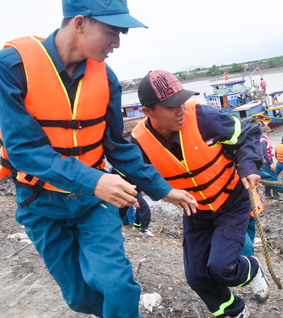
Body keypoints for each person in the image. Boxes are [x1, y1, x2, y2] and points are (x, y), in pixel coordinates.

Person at [0, 2, 197, 317]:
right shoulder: (11, 66)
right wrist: (94, 181)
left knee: (117, 286)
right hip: (40, 204)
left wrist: (163, 189)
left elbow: (118, 147)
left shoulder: (107, 79)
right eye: (112, 31)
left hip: (94, 204)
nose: (117, 42)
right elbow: (23, 149)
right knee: (80, 298)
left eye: (121, 33)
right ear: (79, 23)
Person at [131, 70, 269, 318]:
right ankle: (234, 311)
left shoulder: (204, 118)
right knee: (196, 276)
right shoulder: (139, 143)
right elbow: (131, 178)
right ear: (148, 112)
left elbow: (248, 134)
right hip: (196, 212)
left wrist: (248, 165)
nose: (181, 110)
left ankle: (253, 268)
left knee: (222, 267)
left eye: (182, 101)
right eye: (171, 106)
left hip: (231, 202)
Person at [110, 167, 155, 237]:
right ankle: (143, 230)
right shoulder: (122, 168)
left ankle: (136, 224)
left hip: (133, 190)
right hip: (129, 190)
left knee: (125, 209)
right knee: (144, 208)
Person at [260, 126, 279, 199]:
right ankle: (276, 195)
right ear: (263, 132)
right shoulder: (264, 141)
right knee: (274, 178)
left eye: (269, 132)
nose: (269, 134)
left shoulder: (261, 140)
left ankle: (267, 194)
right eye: (267, 132)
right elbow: (265, 154)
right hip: (267, 162)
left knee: (267, 178)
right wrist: (271, 164)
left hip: (264, 162)